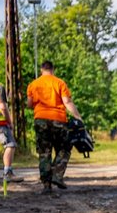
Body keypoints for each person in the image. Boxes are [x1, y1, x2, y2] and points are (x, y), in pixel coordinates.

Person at [26, 60, 83, 193]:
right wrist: (78, 117)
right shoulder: (59, 83)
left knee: (44, 152)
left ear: (41, 70)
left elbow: (29, 104)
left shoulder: (33, 84)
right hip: (58, 120)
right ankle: (57, 175)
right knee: (64, 148)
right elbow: (67, 102)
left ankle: (46, 185)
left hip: (40, 121)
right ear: (53, 69)